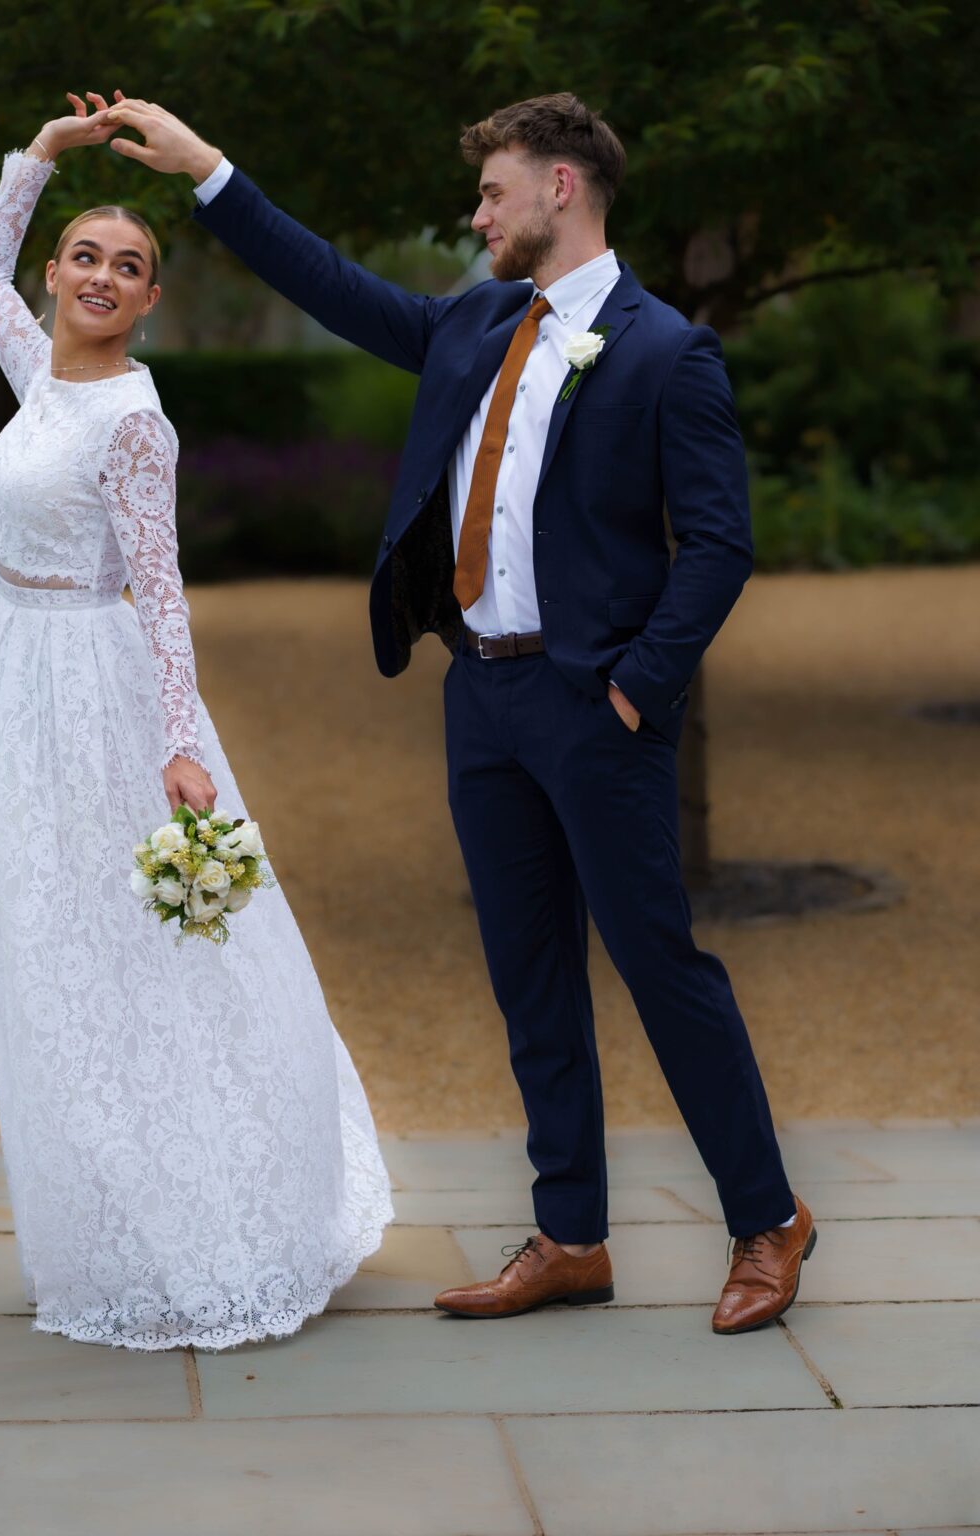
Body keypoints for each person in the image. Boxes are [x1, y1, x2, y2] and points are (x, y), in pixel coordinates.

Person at [103, 90, 817, 1335]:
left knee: (660, 969)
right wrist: (209, 171)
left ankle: (767, 1221)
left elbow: (718, 546)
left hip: (596, 708)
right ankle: (571, 1236)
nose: (476, 212)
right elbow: (327, 284)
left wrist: (639, 689)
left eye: (494, 191)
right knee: (527, 974)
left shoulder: (665, 352)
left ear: (563, 189)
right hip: (479, 695)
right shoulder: (473, 322)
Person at [0, 90, 393, 1352]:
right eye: (86, 257)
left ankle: (225, 1213)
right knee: (49, 943)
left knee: (141, 953)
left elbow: (161, 592)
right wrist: (37, 156)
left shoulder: (135, 422)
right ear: (56, 278)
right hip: (16, 677)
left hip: (97, 687)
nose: (102, 276)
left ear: (151, 301)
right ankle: (102, 1218)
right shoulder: (34, 370)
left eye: (128, 266)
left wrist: (183, 740)